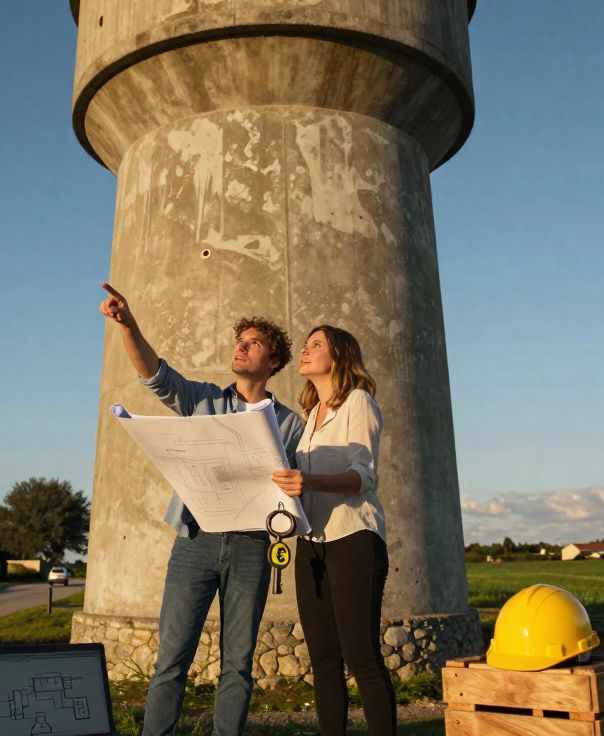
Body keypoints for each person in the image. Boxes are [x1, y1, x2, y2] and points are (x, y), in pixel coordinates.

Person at [98, 282, 304, 736]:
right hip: (194, 542)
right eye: (240, 341)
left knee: (238, 664)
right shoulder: (203, 399)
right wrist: (128, 325)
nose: (241, 348)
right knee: (171, 659)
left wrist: (293, 489)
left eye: (253, 344)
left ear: (272, 362)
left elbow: (297, 494)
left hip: (253, 547)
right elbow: (155, 376)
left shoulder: (291, 424)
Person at [270, 324, 394, 736]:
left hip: (354, 540)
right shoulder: (309, 419)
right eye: (304, 346)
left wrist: (310, 483)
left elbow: (363, 476)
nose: (304, 351)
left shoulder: (358, 402)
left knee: (362, 656)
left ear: (338, 356)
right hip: (311, 546)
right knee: (322, 662)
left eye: (315, 345)